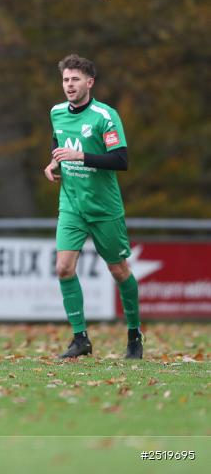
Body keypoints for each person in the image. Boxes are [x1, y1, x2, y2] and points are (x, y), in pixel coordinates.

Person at [44, 54, 142, 359]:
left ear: (89, 82)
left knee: (119, 269)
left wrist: (80, 157)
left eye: (75, 80)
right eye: (65, 80)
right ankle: (80, 338)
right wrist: (53, 162)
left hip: (104, 208)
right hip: (72, 205)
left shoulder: (105, 116)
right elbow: (58, 143)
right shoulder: (57, 112)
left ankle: (134, 334)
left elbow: (121, 160)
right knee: (63, 268)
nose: (69, 85)